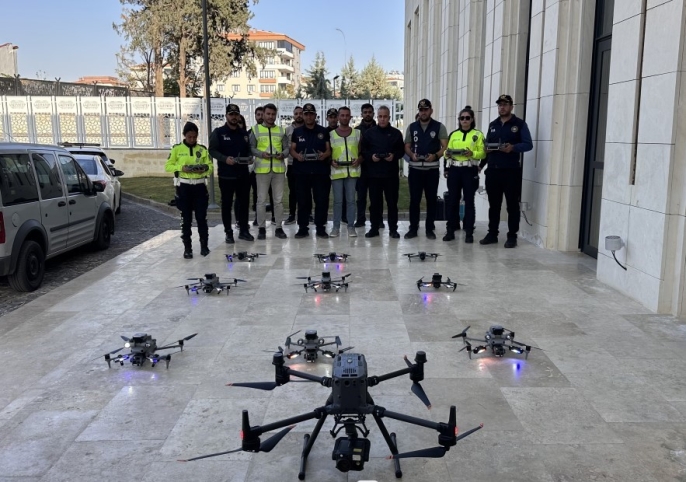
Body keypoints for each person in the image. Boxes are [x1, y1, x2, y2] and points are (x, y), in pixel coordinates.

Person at [480, 94, 533, 248]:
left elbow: (528, 144)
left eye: (505, 105)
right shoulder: (493, 124)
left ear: (511, 106)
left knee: (512, 205)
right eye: (500, 105)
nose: (502, 107)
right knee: (494, 205)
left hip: (511, 171)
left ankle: (512, 236)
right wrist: (483, 158)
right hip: (493, 170)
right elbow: (487, 144)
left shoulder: (519, 124)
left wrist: (513, 148)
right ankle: (492, 234)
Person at [164, 121, 213, 258]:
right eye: (189, 137)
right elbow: (168, 166)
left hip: (200, 186)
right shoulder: (177, 149)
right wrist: (181, 168)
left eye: (194, 137)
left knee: (201, 218)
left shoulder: (202, 149)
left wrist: (203, 169)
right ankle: (187, 248)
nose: (192, 139)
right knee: (186, 219)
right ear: (184, 135)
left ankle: (204, 246)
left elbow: (210, 166)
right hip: (184, 187)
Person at [209, 103, 254, 244]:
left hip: (242, 174)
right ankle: (228, 232)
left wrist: (250, 158)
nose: (234, 117)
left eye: (236, 114)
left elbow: (248, 150)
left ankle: (244, 231)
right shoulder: (219, 132)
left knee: (244, 203)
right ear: (226, 116)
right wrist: (224, 159)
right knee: (226, 204)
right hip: (226, 175)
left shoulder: (244, 134)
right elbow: (212, 150)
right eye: (231, 114)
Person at [403, 99, 448, 240]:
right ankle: (413, 228)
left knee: (431, 200)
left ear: (431, 110)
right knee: (414, 200)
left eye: (426, 109)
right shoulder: (412, 127)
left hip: (431, 170)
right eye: (421, 110)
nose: (423, 112)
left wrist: (435, 156)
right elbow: (407, 146)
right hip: (415, 169)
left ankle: (429, 229)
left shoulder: (439, 126)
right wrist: (411, 155)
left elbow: (445, 147)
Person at [359, 105, 405, 239]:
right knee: (374, 204)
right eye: (380, 116)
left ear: (389, 117)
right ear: (377, 117)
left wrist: (393, 156)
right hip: (374, 175)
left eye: (385, 116)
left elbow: (401, 151)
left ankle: (393, 229)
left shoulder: (396, 133)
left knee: (392, 203)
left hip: (391, 175)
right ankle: (374, 228)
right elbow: (363, 151)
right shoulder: (369, 133)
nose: (383, 119)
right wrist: (371, 157)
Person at [443, 106, 485, 243]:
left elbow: (483, 153)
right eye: (462, 118)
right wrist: (447, 159)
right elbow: (446, 152)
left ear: (472, 119)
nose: (464, 120)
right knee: (452, 201)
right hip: (455, 169)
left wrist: (472, 153)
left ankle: (469, 232)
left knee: (469, 201)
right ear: (459, 120)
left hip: (469, 169)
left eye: (467, 118)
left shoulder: (478, 134)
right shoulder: (454, 134)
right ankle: (450, 230)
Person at [290, 103, 332, 238]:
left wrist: (324, 155)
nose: (309, 117)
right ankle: (303, 228)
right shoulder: (297, 132)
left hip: (320, 172)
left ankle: (320, 228)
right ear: (303, 115)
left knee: (321, 201)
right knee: (303, 201)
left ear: (315, 115)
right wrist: (297, 156)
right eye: (306, 114)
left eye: (311, 114)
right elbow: (292, 149)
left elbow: (329, 150)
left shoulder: (323, 131)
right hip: (302, 172)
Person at [249, 103, 289, 240]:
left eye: (273, 114)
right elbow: (251, 148)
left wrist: (283, 154)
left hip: (278, 170)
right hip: (262, 169)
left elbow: (287, 148)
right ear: (264, 114)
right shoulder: (255, 130)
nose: (271, 116)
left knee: (278, 201)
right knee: (261, 200)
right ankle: (261, 228)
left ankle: (278, 227)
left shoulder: (281, 130)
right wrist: (261, 154)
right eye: (268, 114)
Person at [329, 106, 360, 237]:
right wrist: (331, 161)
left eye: (347, 115)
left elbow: (362, 151)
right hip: (337, 172)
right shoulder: (331, 134)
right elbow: (328, 152)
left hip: (352, 172)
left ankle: (351, 226)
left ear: (350, 117)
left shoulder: (357, 133)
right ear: (338, 117)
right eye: (342, 115)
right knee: (337, 201)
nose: (345, 117)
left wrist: (359, 160)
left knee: (351, 201)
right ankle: (335, 227)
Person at [354, 103, 378, 228]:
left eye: (370, 112)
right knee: (361, 197)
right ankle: (360, 219)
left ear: (373, 113)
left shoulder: (379, 128)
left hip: (376, 168)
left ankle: (377, 220)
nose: (367, 114)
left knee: (375, 197)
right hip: (361, 168)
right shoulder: (357, 130)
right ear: (361, 114)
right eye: (365, 112)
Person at [284, 105, 304, 225]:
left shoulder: (308, 128)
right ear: (293, 115)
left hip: (306, 164)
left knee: (306, 191)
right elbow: (286, 147)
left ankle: (308, 214)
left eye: (301, 113)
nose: (298, 116)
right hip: (292, 164)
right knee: (293, 191)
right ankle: (292, 215)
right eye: (296, 114)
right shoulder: (288, 130)